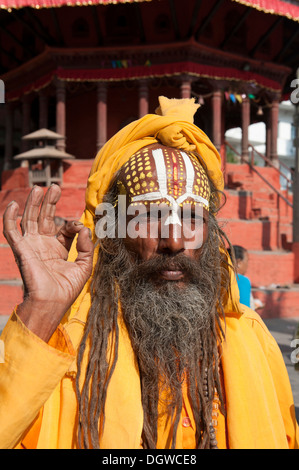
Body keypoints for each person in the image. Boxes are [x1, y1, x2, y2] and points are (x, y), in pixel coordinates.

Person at [0, 97, 298, 449]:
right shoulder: (66, 347)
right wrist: (42, 311)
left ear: (212, 233)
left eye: (191, 218)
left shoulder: (250, 337)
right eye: (148, 216)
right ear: (112, 232)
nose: (173, 240)